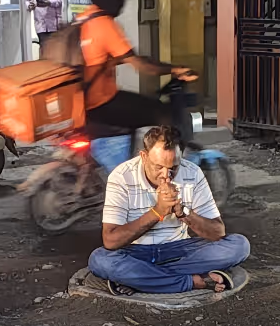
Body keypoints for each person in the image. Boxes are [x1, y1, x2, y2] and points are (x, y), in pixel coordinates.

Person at [87, 126, 250, 295]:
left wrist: (182, 211)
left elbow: (217, 232)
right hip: (135, 252)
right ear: (143, 156)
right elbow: (111, 241)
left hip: (179, 249)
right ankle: (190, 281)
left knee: (239, 245)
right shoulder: (121, 176)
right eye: (158, 167)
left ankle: (143, 280)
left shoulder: (192, 173)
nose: (166, 175)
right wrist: (157, 212)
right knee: (100, 260)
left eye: (174, 167)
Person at [78, 0, 196, 133]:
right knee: (161, 112)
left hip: (83, 102)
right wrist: (174, 69)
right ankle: (164, 157)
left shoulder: (85, 17)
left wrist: (127, 59)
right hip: (101, 103)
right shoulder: (104, 24)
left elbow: (96, 57)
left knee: (138, 107)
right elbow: (143, 66)